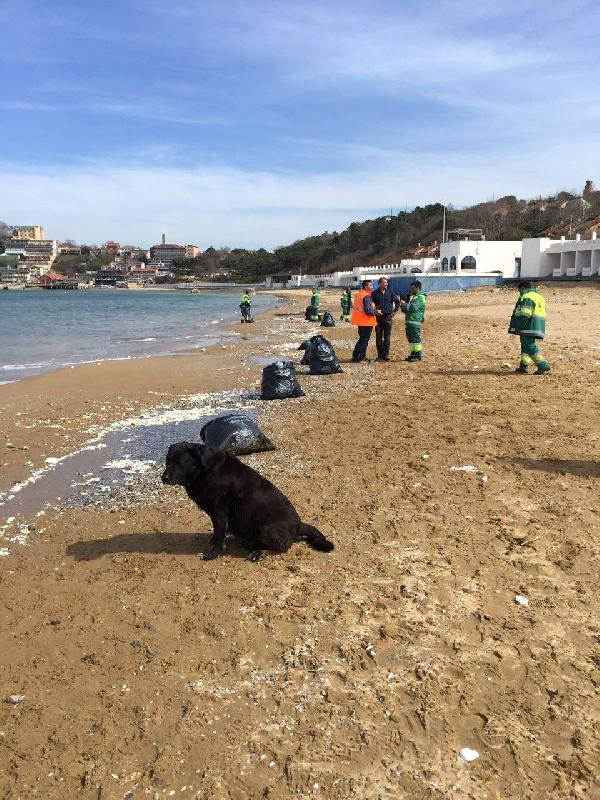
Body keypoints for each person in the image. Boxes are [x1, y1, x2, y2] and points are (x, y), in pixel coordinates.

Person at [509, 281, 551, 374]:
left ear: (523, 288)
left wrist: (518, 326)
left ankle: (542, 364)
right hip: (538, 325)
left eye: (519, 290)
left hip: (528, 325)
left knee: (529, 345)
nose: (519, 292)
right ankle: (523, 366)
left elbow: (525, 314)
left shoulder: (527, 297)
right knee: (525, 345)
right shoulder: (538, 297)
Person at [371, 276, 401, 361]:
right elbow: (371, 303)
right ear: (380, 283)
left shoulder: (390, 292)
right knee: (378, 337)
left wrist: (394, 311)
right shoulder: (374, 293)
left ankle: (386, 355)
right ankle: (380, 355)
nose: (387, 284)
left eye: (387, 282)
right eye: (385, 282)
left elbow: (397, 301)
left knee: (387, 338)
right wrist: (375, 310)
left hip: (388, 317)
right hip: (378, 318)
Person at [350, 279, 378, 361]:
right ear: (365, 286)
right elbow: (368, 311)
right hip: (366, 322)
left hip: (360, 321)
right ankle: (359, 357)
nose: (372, 286)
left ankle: (358, 356)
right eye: (370, 285)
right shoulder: (366, 296)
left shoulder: (359, 295)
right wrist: (376, 312)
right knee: (363, 340)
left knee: (361, 339)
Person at [400, 280, 426, 362]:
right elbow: (408, 310)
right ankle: (413, 354)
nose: (412, 290)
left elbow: (413, 308)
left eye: (413, 288)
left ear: (418, 288)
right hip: (410, 321)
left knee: (415, 339)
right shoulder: (415, 297)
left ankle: (417, 356)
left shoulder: (420, 297)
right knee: (411, 339)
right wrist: (403, 306)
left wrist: (404, 304)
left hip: (415, 321)